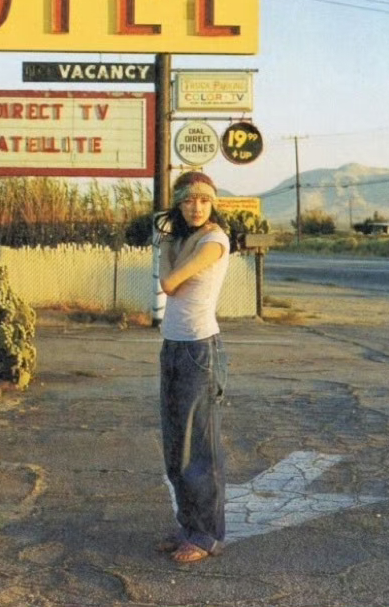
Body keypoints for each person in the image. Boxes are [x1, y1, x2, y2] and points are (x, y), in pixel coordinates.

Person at [158, 175, 231, 563]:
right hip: (173, 345)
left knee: (200, 448)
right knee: (175, 447)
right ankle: (188, 526)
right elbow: (168, 276)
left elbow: (169, 282)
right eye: (188, 201)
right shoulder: (181, 240)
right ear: (179, 205)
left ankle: (207, 535)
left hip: (200, 350)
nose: (197, 207)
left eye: (204, 200)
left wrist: (165, 247)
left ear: (213, 203)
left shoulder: (213, 241)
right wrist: (168, 245)